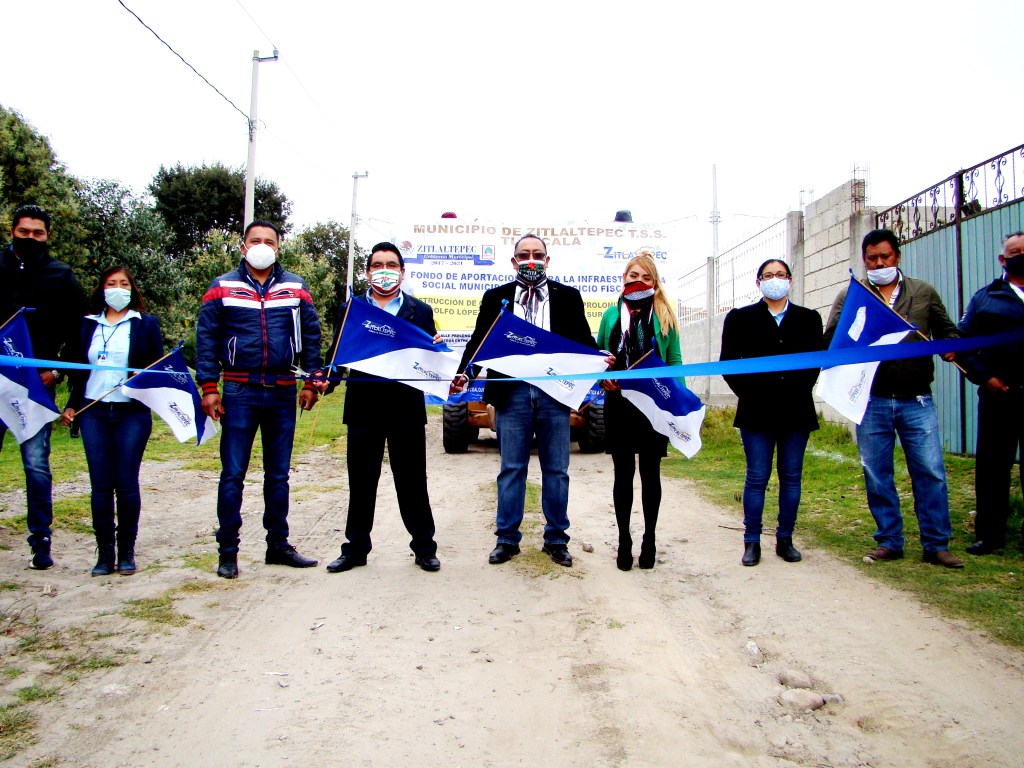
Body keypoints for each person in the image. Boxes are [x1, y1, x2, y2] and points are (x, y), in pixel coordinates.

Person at [455, 234, 608, 568]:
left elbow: (583, 341)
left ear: (547, 261)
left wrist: (600, 360)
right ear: (514, 262)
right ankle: (507, 539)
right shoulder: (495, 298)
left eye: (538, 254)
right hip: (512, 395)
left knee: (557, 470)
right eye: (524, 255)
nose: (531, 260)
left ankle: (556, 539)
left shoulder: (568, 297)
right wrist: (464, 373)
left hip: (555, 394)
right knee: (511, 468)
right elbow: (480, 342)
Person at [824, 229, 964, 568]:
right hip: (870, 400)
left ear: (897, 257)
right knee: (877, 473)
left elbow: (948, 331)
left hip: (917, 400)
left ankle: (936, 544)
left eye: (885, 257)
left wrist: (950, 347)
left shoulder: (923, 292)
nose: (879, 263)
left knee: (930, 471)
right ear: (864, 260)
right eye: (872, 258)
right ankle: (889, 540)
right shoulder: (852, 296)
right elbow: (831, 340)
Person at [196, 220, 325, 579]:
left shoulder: (296, 287)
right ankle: (228, 552)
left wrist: (312, 381)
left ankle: (278, 545)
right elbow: (206, 339)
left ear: (278, 248)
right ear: (243, 247)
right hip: (239, 391)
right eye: (255, 240)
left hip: (283, 390)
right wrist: (208, 386)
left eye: (269, 241)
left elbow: (312, 336)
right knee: (233, 475)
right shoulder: (221, 287)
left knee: (278, 476)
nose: (262, 246)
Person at [325, 242, 442, 573]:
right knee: (361, 481)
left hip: (406, 407)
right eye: (378, 265)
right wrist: (325, 381)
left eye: (391, 265)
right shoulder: (352, 309)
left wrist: (438, 349)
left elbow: (429, 358)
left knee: (412, 480)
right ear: (368, 272)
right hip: (363, 406)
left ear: (402, 273)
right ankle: (355, 549)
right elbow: (337, 354)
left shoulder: (420, 311)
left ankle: (424, 547)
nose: (384, 271)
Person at [0, 204, 87, 570]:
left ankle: (41, 540)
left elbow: (78, 331)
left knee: (36, 463)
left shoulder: (60, 276)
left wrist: (56, 370)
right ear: (12, 231)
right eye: (25, 232)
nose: (31, 238)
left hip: (36, 386)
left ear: (47, 236)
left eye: (38, 233)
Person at [61, 266, 163, 576]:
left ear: (132, 289)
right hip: (93, 412)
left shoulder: (145, 324)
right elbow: (78, 370)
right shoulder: (87, 324)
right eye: (111, 283)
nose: (118, 288)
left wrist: (143, 376)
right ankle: (105, 554)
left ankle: (127, 551)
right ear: (102, 289)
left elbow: (158, 367)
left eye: (123, 284)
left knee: (126, 483)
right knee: (101, 486)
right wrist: (72, 405)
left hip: (131, 413)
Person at [720, 259, 823, 566]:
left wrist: (796, 390)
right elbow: (728, 364)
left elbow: (813, 363)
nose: (774, 279)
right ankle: (752, 541)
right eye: (768, 275)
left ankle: (785, 539)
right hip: (756, 412)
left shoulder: (808, 318)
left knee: (791, 477)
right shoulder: (740, 318)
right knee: (756, 477)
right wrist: (750, 394)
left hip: (796, 411)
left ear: (789, 279)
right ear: (758, 282)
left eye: (780, 274)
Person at [596, 250, 682, 570]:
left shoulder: (665, 315)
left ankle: (650, 539)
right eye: (634, 276)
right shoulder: (610, 315)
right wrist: (603, 378)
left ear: (655, 283)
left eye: (647, 277)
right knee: (623, 474)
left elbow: (675, 360)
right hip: (619, 403)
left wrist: (677, 400)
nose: (640, 282)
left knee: (650, 473)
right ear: (624, 279)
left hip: (654, 403)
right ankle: (624, 540)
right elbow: (600, 355)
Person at [956, 232, 1024, 555]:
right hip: (1000, 396)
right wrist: (986, 377)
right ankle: (990, 536)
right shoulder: (985, 299)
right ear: (1003, 260)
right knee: (993, 468)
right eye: (1015, 251)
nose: (1021, 255)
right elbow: (962, 344)